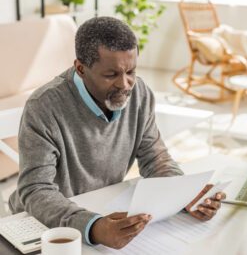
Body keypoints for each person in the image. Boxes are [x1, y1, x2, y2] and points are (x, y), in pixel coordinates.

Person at [9, 16, 225, 249]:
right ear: (81, 68)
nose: (125, 84)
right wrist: (92, 226)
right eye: (111, 75)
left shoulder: (139, 93)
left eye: (131, 71)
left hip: (102, 208)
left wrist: (185, 195)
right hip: (39, 224)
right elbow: (35, 189)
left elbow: (156, 159)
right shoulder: (45, 106)